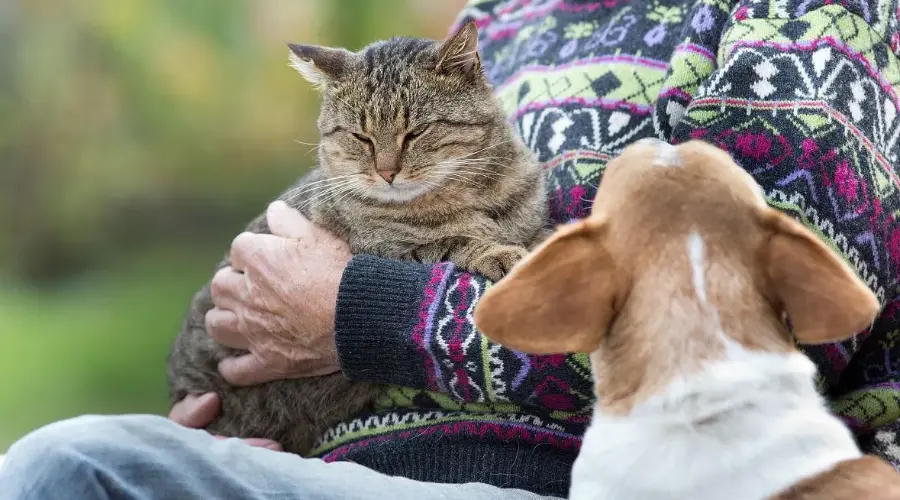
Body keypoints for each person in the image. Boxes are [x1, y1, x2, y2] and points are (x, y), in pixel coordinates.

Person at [3, 0, 900, 498]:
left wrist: (356, 312)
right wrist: (229, 414)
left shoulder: (796, 19)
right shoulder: (493, 22)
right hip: (316, 462)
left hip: (567, 478)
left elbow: (772, 337)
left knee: (68, 470)